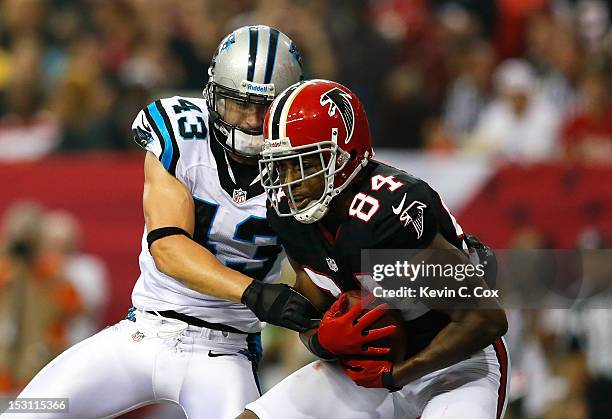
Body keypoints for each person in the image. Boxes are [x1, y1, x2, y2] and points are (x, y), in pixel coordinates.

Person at [1, 25, 318, 419]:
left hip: (225, 352)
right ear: (214, 93)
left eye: (264, 108)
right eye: (239, 104)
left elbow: (319, 263)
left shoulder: (307, 159)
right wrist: (256, 293)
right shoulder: (181, 132)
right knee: (28, 411)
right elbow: (168, 247)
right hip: (142, 333)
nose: (252, 122)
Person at [239, 79, 509, 419]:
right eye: (283, 165)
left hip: (455, 366)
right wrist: (323, 340)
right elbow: (313, 315)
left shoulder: (390, 212)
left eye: (305, 164)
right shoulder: (289, 216)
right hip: (370, 370)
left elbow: (483, 319)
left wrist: (396, 375)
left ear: (345, 156)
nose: (291, 181)